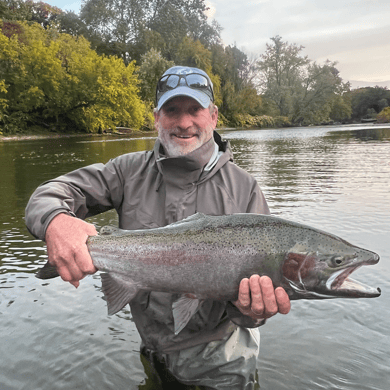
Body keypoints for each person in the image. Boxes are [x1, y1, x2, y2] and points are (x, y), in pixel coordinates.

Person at [25, 66, 291, 389]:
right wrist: (56, 220)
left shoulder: (245, 189)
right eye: (172, 110)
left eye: (194, 110)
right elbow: (49, 193)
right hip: (152, 350)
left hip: (223, 363)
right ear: (156, 118)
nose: (183, 122)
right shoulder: (126, 172)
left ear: (214, 117)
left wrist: (254, 312)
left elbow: (255, 310)